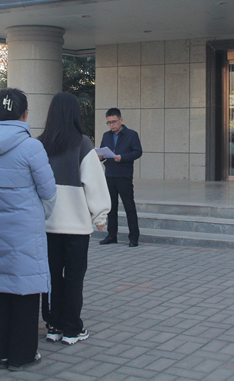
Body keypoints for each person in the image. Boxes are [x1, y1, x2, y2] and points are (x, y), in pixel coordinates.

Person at [0, 88, 56, 371]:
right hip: (25, 232)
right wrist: (37, 215)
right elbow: (48, 191)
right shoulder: (31, 147)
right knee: (25, 291)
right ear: (24, 114)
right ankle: (21, 355)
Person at [38, 92, 110, 345]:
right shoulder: (83, 144)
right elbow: (94, 183)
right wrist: (100, 216)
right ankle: (72, 329)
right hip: (76, 227)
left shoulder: (40, 145)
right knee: (74, 278)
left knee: (51, 277)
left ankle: (53, 325)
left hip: (47, 225)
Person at [98, 108, 143, 247]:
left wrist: (123, 157)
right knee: (111, 207)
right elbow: (102, 151)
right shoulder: (106, 136)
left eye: (114, 122)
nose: (111, 125)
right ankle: (111, 235)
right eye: (109, 123)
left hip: (124, 175)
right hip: (110, 174)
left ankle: (133, 237)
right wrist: (99, 157)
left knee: (129, 206)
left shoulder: (131, 135)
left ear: (121, 120)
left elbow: (138, 152)